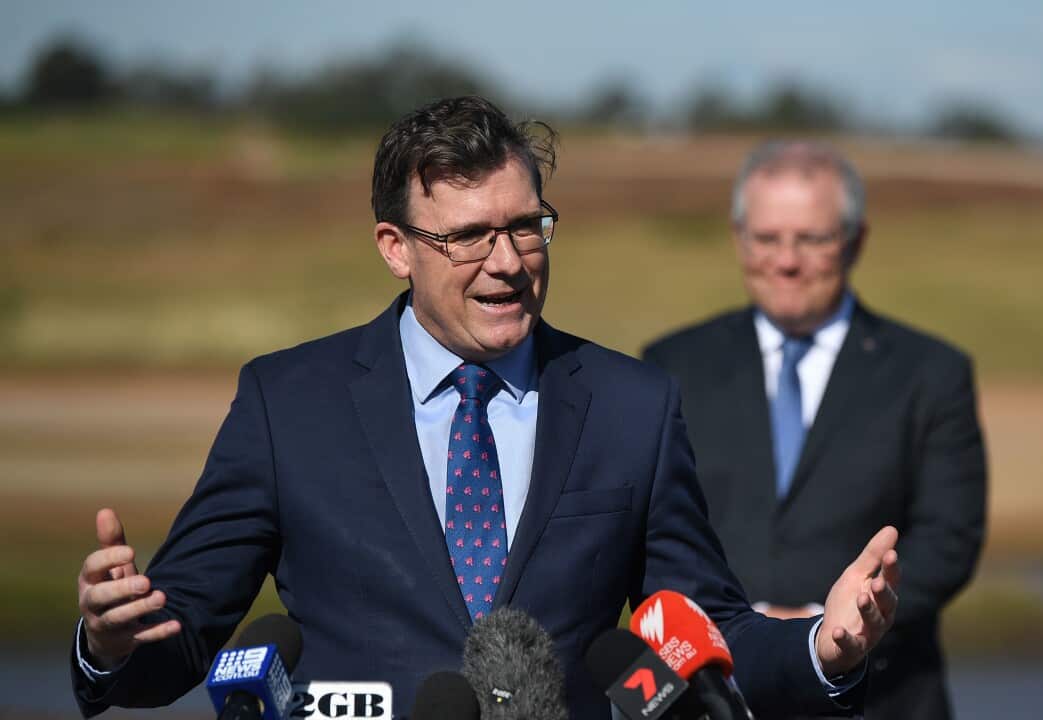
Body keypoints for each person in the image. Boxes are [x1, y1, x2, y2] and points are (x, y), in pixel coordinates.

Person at [71, 98, 901, 720]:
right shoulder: (288, 402)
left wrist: (821, 648)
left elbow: (702, 631)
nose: (507, 263)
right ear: (395, 248)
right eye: (468, 236)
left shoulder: (630, 406)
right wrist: (109, 643)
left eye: (527, 227)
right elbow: (173, 645)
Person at [642, 141, 986, 720]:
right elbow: (652, 531)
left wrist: (827, 625)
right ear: (738, 238)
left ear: (855, 241)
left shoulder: (930, 373)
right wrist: (745, 632)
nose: (787, 260)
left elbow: (949, 539)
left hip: (883, 696)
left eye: (811, 239)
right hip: (711, 696)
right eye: (767, 238)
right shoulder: (671, 366)